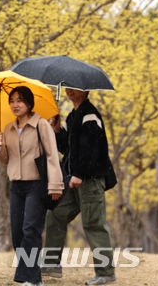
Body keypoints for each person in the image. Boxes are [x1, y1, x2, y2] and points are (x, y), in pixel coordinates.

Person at [41, 88, 116, 285]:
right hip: (75, 179)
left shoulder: (89, 115)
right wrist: (58, 131)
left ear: (86, 90)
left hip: (89, 180)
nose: (70, 91)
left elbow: (93, 150)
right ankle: (50, 264)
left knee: (93, 223)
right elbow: (70, 149)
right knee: (56, 213)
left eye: (75, 88)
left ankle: (106, 273)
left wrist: (79, 174)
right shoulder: (74, 115)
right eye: (68, 87)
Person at [0, 86, 64, 286]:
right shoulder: (8, 128)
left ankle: (31, 280)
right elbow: (6, 160)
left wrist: (56, 185)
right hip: (16, 185)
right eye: (12, 101)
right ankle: (35, 277)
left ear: (29, 103)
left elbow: (52, 156)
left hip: (37, 184)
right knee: (17, 233)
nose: (15, 105)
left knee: (30, 229)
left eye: (20, 100)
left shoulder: (41, 125)